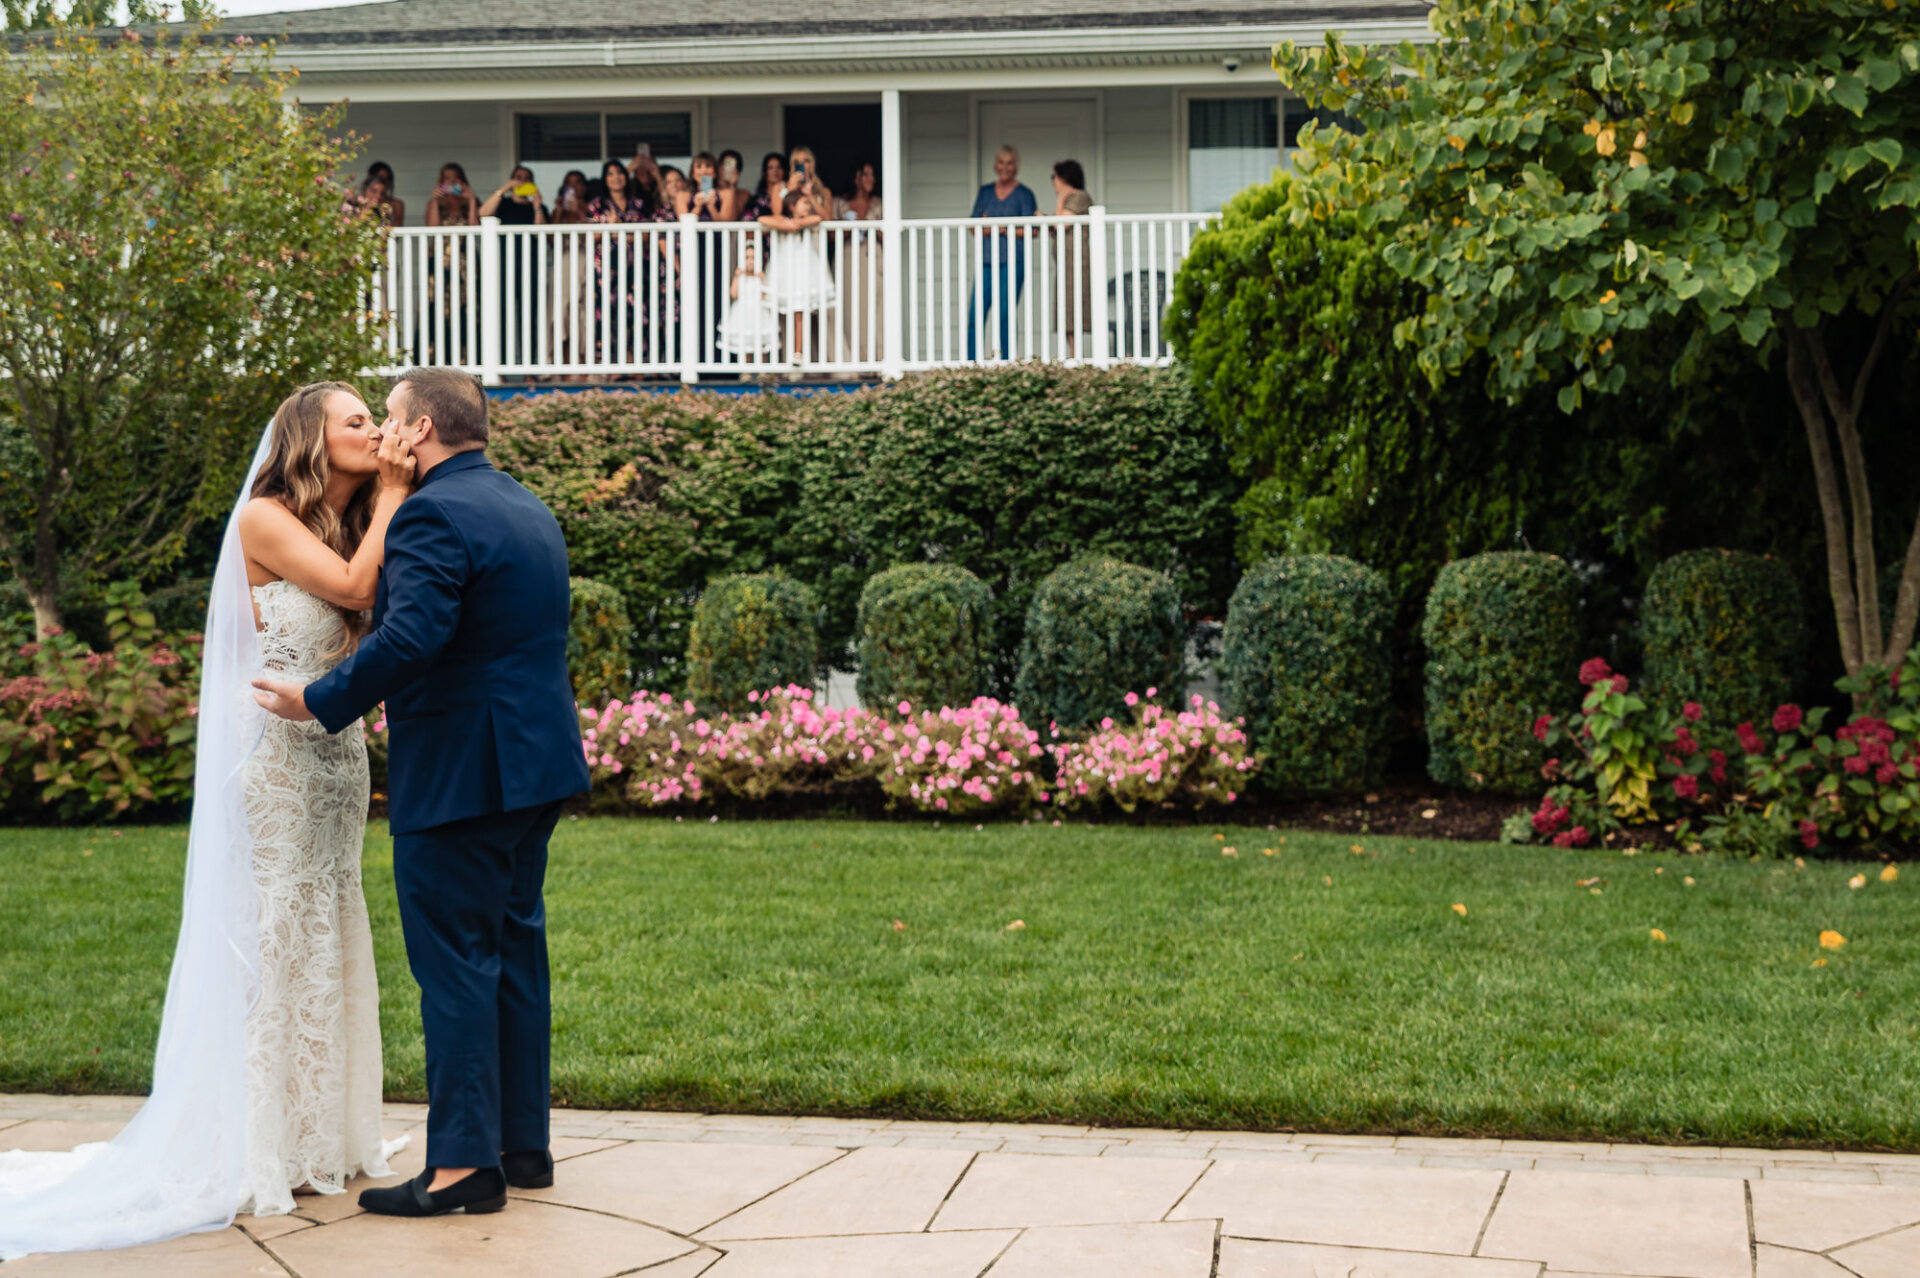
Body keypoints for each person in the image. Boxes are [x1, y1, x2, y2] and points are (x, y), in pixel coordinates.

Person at [0, 385, 415, 1260]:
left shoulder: (348, 523)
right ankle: (255, 1139)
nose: (374, 430)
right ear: (310, 438)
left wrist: (380, 502)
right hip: (272, 759)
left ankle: (320, 1135)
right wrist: (397, 492)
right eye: (355, 421)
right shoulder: (267, 518)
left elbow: (381, 618)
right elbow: (351, 588)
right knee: (276, 932)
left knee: (326, 923)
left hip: (337, 760)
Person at [253, 368, 590, 1220]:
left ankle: (461, 1170)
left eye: (390, 419)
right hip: (535, 768)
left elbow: (414, 633)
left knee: (455, 970)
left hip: (464, 773)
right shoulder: (524, 504)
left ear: (423, 428)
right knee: (514, 957)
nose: (382, 436)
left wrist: (318, 700)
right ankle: (523, 1147)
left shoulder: (434, 511)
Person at [586, 159, 670, 367]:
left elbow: (646, 234)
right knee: (608, 312)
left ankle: (639, 363)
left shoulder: (638, 202)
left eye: (620, 173)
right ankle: (612, 365)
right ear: (605, 179)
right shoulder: (598, 204)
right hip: (608, 266)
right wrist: (614, 229)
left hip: (637, 266)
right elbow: (591, 235)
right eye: (611, 174)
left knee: (639, 312)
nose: (616, 178)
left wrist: (617, 230)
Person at [966, 145, 1038, 360]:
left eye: (1009, 163)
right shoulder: (985, 192)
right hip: (987, 261)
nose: (1004, 167)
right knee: (976, 313)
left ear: (1015, 167)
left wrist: (1001, 228)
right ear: (995, 165)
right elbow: (974, 225)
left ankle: (1007, 361)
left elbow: (1032, 229)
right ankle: (971, 363)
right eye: (1001, 162)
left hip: (1012, 261)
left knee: (1005, 314)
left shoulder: (1024, 194)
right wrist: (991, 228)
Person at [481, 166, 549, 367]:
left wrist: (537, 205)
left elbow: (541, 233)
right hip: (503, 267)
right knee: (501, 315)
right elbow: (483, 213)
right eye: (518, 178)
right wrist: (505, 189)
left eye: (527, 179)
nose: (522, 181)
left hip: (530, 266)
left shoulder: (537, 207)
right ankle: (499, 367)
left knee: (531, 317)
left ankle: (531, 368)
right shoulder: (503, 204)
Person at [759, 190, 835, 364]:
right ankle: (769, 357)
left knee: (799, 311)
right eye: (804, 203)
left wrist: (796, 223)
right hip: (784, 271)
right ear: (792, 206)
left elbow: (817, 219)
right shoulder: (782, 220)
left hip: (804, 270)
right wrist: (787, 224)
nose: (808, 206)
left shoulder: (809, 221)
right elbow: (762, 220)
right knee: (772, 308)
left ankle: (797, 352)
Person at [833, 160, 884, 363]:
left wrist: (874, 227)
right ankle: (851, 360)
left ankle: (875, 359)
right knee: (850, 307)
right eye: (866, 174)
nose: (870, 179)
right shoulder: (840, 203)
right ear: (856, 177)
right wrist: (847, 226)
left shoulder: (879, 203)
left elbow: (888, 235)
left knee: (874, 307)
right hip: (848, 257)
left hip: (872, 256)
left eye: (873, 174)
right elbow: (830, 236)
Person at [1048, 159, 1094, 357]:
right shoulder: (1070, 199)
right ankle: (1072, 353)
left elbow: (1062, 224)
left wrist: (1060, 201)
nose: (1053, 182)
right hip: (1065, 263)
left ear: (1064, 178)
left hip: (1076, 263)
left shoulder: (1079, 197)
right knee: (1066, 307)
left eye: (1054, 177)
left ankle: (1075, 355)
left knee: (1074, 305)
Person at [716, 236, 779, 360]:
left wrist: (762, 279)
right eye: (747, 258)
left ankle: (763, 370)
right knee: (744, 342)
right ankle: (746, 369)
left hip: (759, 313)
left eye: (753, 258)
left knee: (761, 342)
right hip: (742, 314)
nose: (750, 261)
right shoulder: (741, 277)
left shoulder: (760, 276)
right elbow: (734, 294)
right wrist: (736, 277)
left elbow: (766, 295)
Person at [425, 163, 478, 227]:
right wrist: (436, 200)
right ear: (442, 182)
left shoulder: (471, 202)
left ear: (462, 181)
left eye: (456, 177)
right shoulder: (433, 203)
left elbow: (475, 228)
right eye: (448, 178)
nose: (452, 181)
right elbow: (432, 227)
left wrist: (472, 200)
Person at [742, 151, 786, 221]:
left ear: (784, 171)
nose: (775, 171)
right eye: (770, 168)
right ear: (764, 172)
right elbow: (746, 220)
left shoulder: (788, 195)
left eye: (779, 167)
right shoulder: (756, 199)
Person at [364, 161, 406, 226]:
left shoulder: (396, 204)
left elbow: (395, 229)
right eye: (374, 191)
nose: (378, 196)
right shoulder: (356, 205)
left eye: (387, 179)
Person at [715, 149, 751, 223]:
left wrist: (732, 186)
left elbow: (734, 218)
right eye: (725, 164)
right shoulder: (711, 191)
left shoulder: (744, 194)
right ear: (719, 167)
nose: (727, 169)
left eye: (732, 165)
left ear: (738, 171)